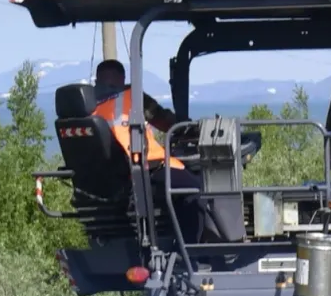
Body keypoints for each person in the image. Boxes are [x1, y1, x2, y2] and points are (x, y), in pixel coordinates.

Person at [91, 59, 242, 243]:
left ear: (97, 79)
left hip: (106, 181)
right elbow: (166, 122)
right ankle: (191, 250)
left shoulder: (86, 107)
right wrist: (193, 129)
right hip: (146, 169)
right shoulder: (130, 98)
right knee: (198, 189)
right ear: (122, 79)